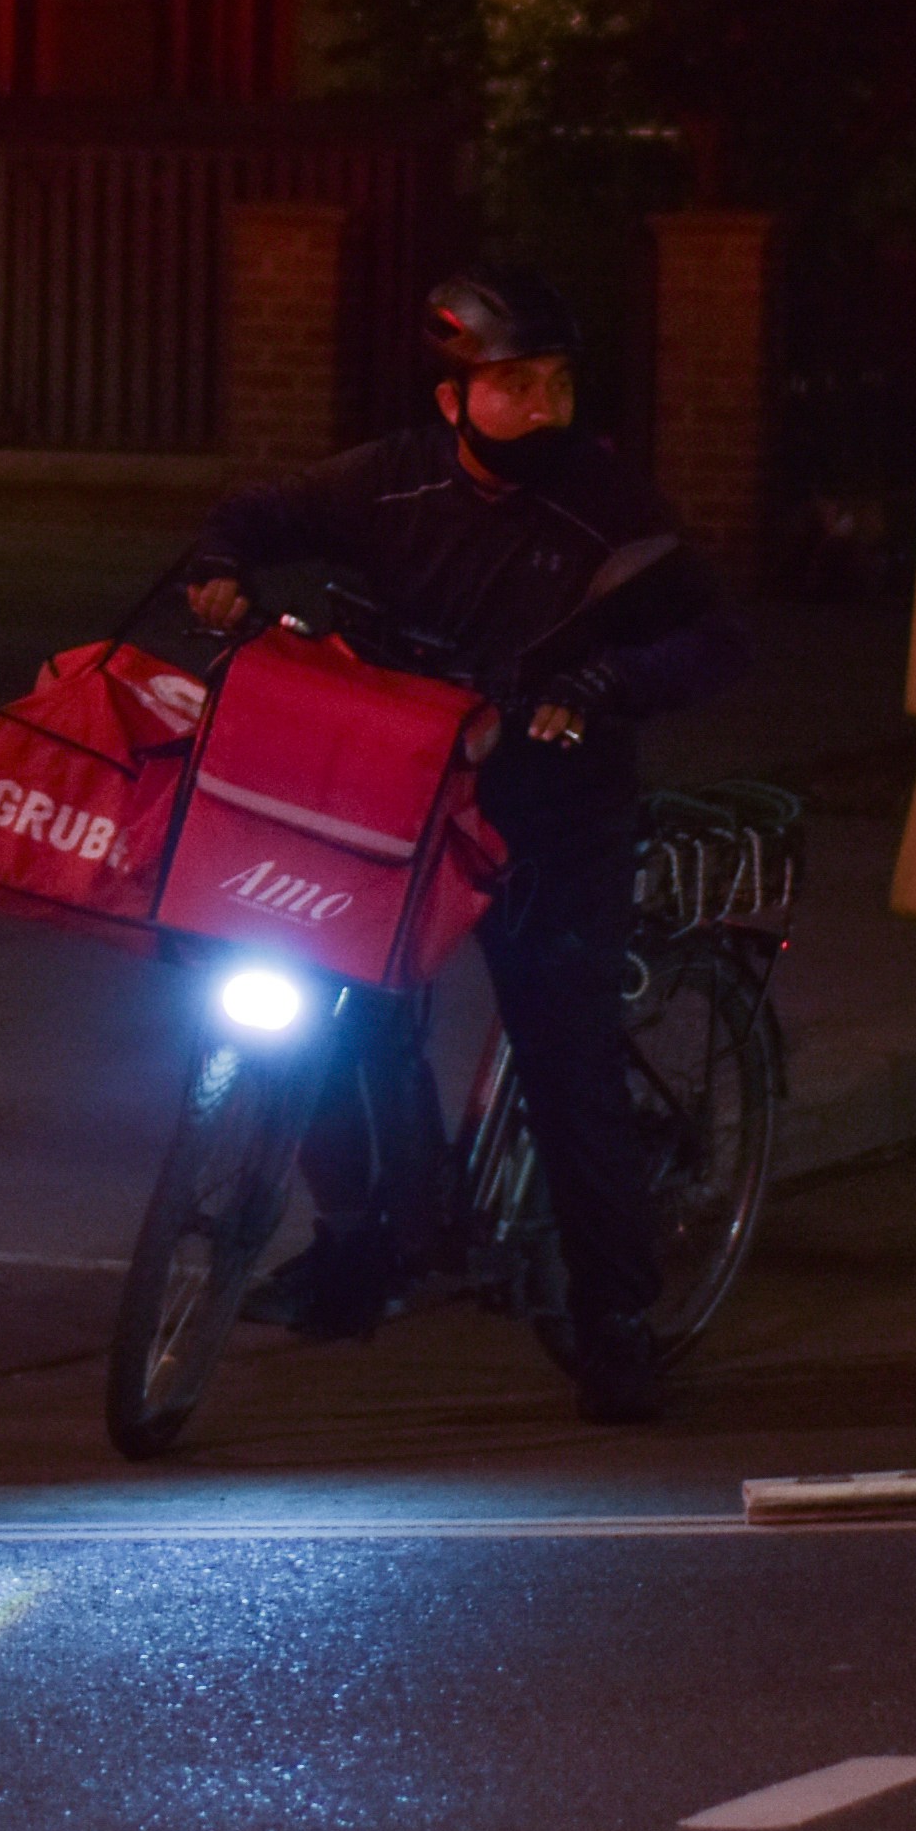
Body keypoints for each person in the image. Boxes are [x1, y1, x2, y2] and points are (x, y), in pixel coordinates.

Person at [179, 262, 749, 1422]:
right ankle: (364, 1241)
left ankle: (615, 1318)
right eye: (514, 385)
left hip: (554, 803)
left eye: (557, 385)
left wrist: (606, 680)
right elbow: (250, 516)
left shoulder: (610, 508)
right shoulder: (385, 485)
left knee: (561, 1046)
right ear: (453, 399)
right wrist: (218, 573)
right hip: (400, 787)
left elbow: (715, 641)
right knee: (332, 1006)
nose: (542, 407)